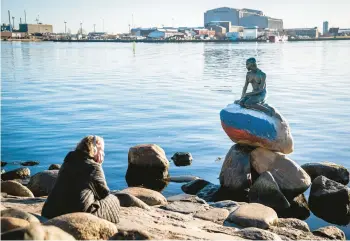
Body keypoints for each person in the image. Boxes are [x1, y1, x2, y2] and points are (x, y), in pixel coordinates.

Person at [41, 135, 120, 224]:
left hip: (50, 212)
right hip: (77, 215)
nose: (103, 154)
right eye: (101, 150)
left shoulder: (68, 160)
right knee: (113, 199)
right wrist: (99, 165)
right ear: (95, 148)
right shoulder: (93, 167)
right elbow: (104, 194)